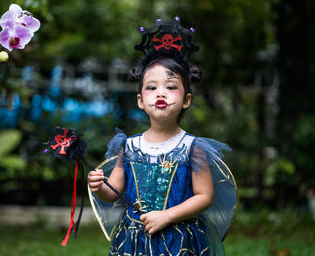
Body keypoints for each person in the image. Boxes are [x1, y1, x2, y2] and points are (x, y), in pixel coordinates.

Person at [88, 18, 237, 256]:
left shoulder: (193, 147)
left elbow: (204, 196)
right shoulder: (128, 146)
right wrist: (99, 187)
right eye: (152, 87)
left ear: (187, 100)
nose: (161, 93)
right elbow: (114, 191)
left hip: (179, 239)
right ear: (140, 101)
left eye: (170, 87)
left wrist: (167, 215)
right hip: (134, 238)